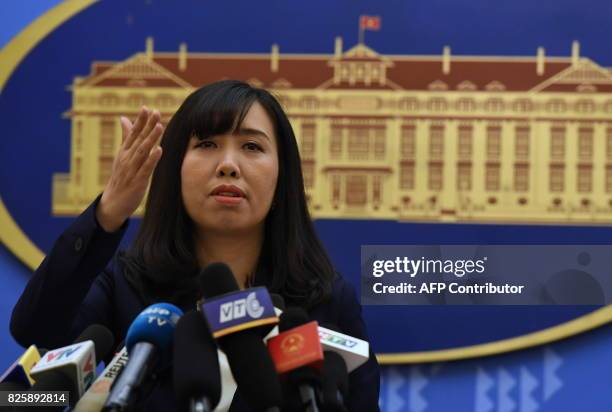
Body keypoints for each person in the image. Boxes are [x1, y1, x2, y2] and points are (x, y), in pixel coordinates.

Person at [11, 80, 380, 411]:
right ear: (175, 170)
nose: (228, 165)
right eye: (206, 144)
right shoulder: (127, 285)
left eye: (251, 146)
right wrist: (108, 213)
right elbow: (38, 330)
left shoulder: (326, 302)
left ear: (282, 177)